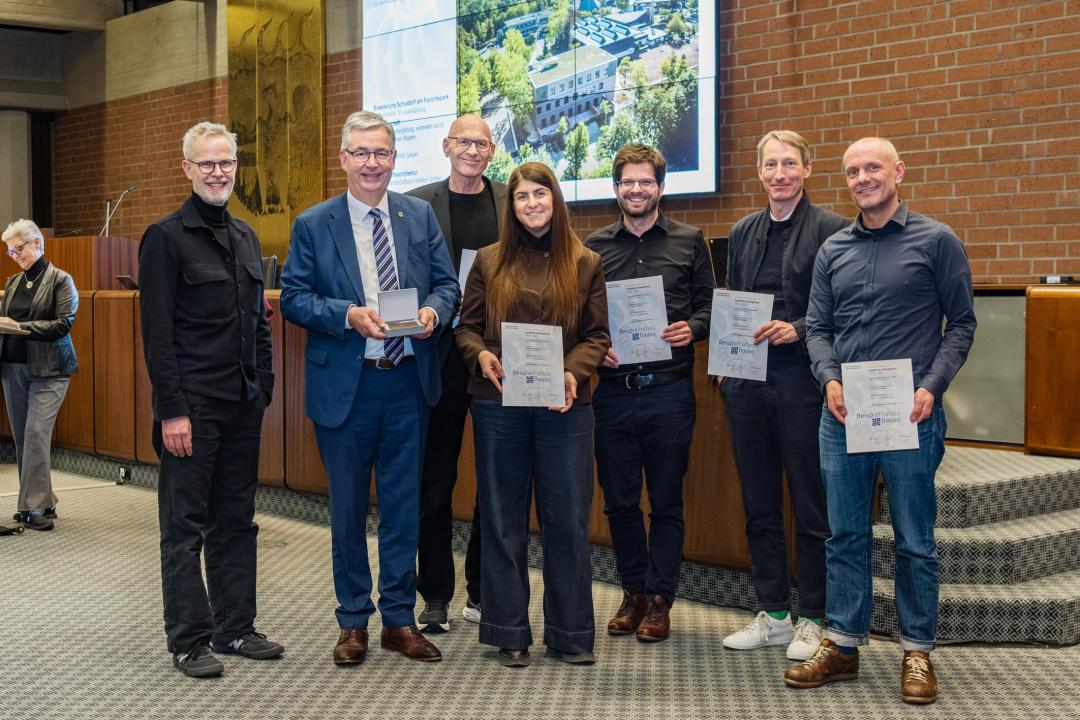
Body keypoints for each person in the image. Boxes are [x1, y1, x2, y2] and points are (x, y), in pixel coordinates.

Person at [785, 137, 976, 705]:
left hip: (910, 415)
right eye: (853, 171)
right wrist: (829, 378)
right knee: (844, 533)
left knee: (914, 540)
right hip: (842, 414)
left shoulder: (936, 241)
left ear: (898, 171)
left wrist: (931, 387)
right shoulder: (833, 251)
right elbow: (817, 328)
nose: (863, 177)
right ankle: (843, 644)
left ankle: (917, 651)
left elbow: (961, 324)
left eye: (873, 167)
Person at [279, 110, 458, 666]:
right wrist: (347, 314)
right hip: (347, 390)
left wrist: (432, 312)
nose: (371, 163)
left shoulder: (419, 215)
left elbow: (449, 286)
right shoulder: (314, 223)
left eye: (381, 153)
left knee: (405, 508)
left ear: (394, 158)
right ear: (343, 159)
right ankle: (353, 620)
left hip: (408, 383)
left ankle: (399, 621)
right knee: (349, 510)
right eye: (361, 153)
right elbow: (292, 297)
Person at [139, 121, 282, 678]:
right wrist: (171, 410)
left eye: (226, 163)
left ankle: (235, 629)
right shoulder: (165, 237)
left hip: (243, 403)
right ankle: (189, 640)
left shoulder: (246, 236)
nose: (218, 172)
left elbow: (259, 322)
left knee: (237, 520)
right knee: (185, 526)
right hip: (191, 407)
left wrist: (264, 385)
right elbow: (157, 335)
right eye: (207, 164)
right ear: (187, 169)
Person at [456, 161, 609, 667]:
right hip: (498, 405)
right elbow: (467, 329)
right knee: (502, 518)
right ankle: (508, 631)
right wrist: (480, 355)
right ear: (512, 205)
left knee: (566, 520)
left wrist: (572, 372)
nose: (532, 204)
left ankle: (570, 634)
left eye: (540, 194)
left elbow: (596, 337)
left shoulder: (585, 262)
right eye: (522, 197)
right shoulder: (488, 260)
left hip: (565, 405)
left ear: (555, 199)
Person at [719, 131, 848, 660]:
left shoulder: (834, 231)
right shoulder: (743, 230)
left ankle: (814, 617)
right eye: (770, 164)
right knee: (759, 503)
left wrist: (796, 328)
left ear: (807, 169)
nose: (780, 174)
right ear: (760, 172)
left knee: (811, 507)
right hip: (747, 384)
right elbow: (731, 304)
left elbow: (843, 312)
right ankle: (774, 613)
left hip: (803, 381)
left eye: (789, 164)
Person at [584, 144, 714, 643]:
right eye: (626, 182)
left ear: (661, 186)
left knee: (665, 503)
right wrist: (598, 349)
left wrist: (693, 328)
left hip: (669, 393)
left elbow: (709, 305)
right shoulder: (594, 246)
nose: (636, 190)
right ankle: (633, 591)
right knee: (618, 502)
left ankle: (660, 600)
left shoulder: (689, 240)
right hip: (614, 392)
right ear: (615, 188)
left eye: (645, 182)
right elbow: (584, 317)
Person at [406, 114, 507, 632]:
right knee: (435, 482)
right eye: (464, 141)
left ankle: (483, 590)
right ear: (446, 146)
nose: (472, 150)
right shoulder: (417, 203)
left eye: (482, 143)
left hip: (497, 361)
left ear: (493, 152)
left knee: (497, 481)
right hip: (438, 358)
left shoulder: (513, 200)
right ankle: (436, 595)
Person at [1, 219, 79, 532]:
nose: (15, 254)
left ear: (37, 244)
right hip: (14, 368)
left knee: (35, 436)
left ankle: (31, 508)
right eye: (9, 251)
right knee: (24, 439)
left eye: (19, 248)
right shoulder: (14, 281)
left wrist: (19, 328)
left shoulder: (62, 280)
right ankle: (44, 500)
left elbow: (63, 324)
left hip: (50, 370)